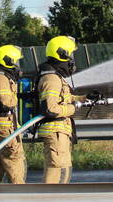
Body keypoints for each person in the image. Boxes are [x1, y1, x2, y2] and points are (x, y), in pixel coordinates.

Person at [36, 35, 94, 184]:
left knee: (64, 170)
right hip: (55, 132)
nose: (71, 60)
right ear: (62, 54)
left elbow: (64, 98)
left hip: (60, 132)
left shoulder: (56, 77)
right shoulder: (51, 79)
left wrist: (84, 98)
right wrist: (73, 108)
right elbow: (50, 109)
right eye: (70, 54)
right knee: (55, 170)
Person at [0, 44, 27, 183]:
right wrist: (17, 97)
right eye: (16, 61)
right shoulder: (0, 78)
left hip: (0, 126)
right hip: (3, 127)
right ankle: (18, 193)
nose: (18, 65)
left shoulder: (0, 76)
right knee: (14, 159)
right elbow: (6, 102)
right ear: (8, 60)